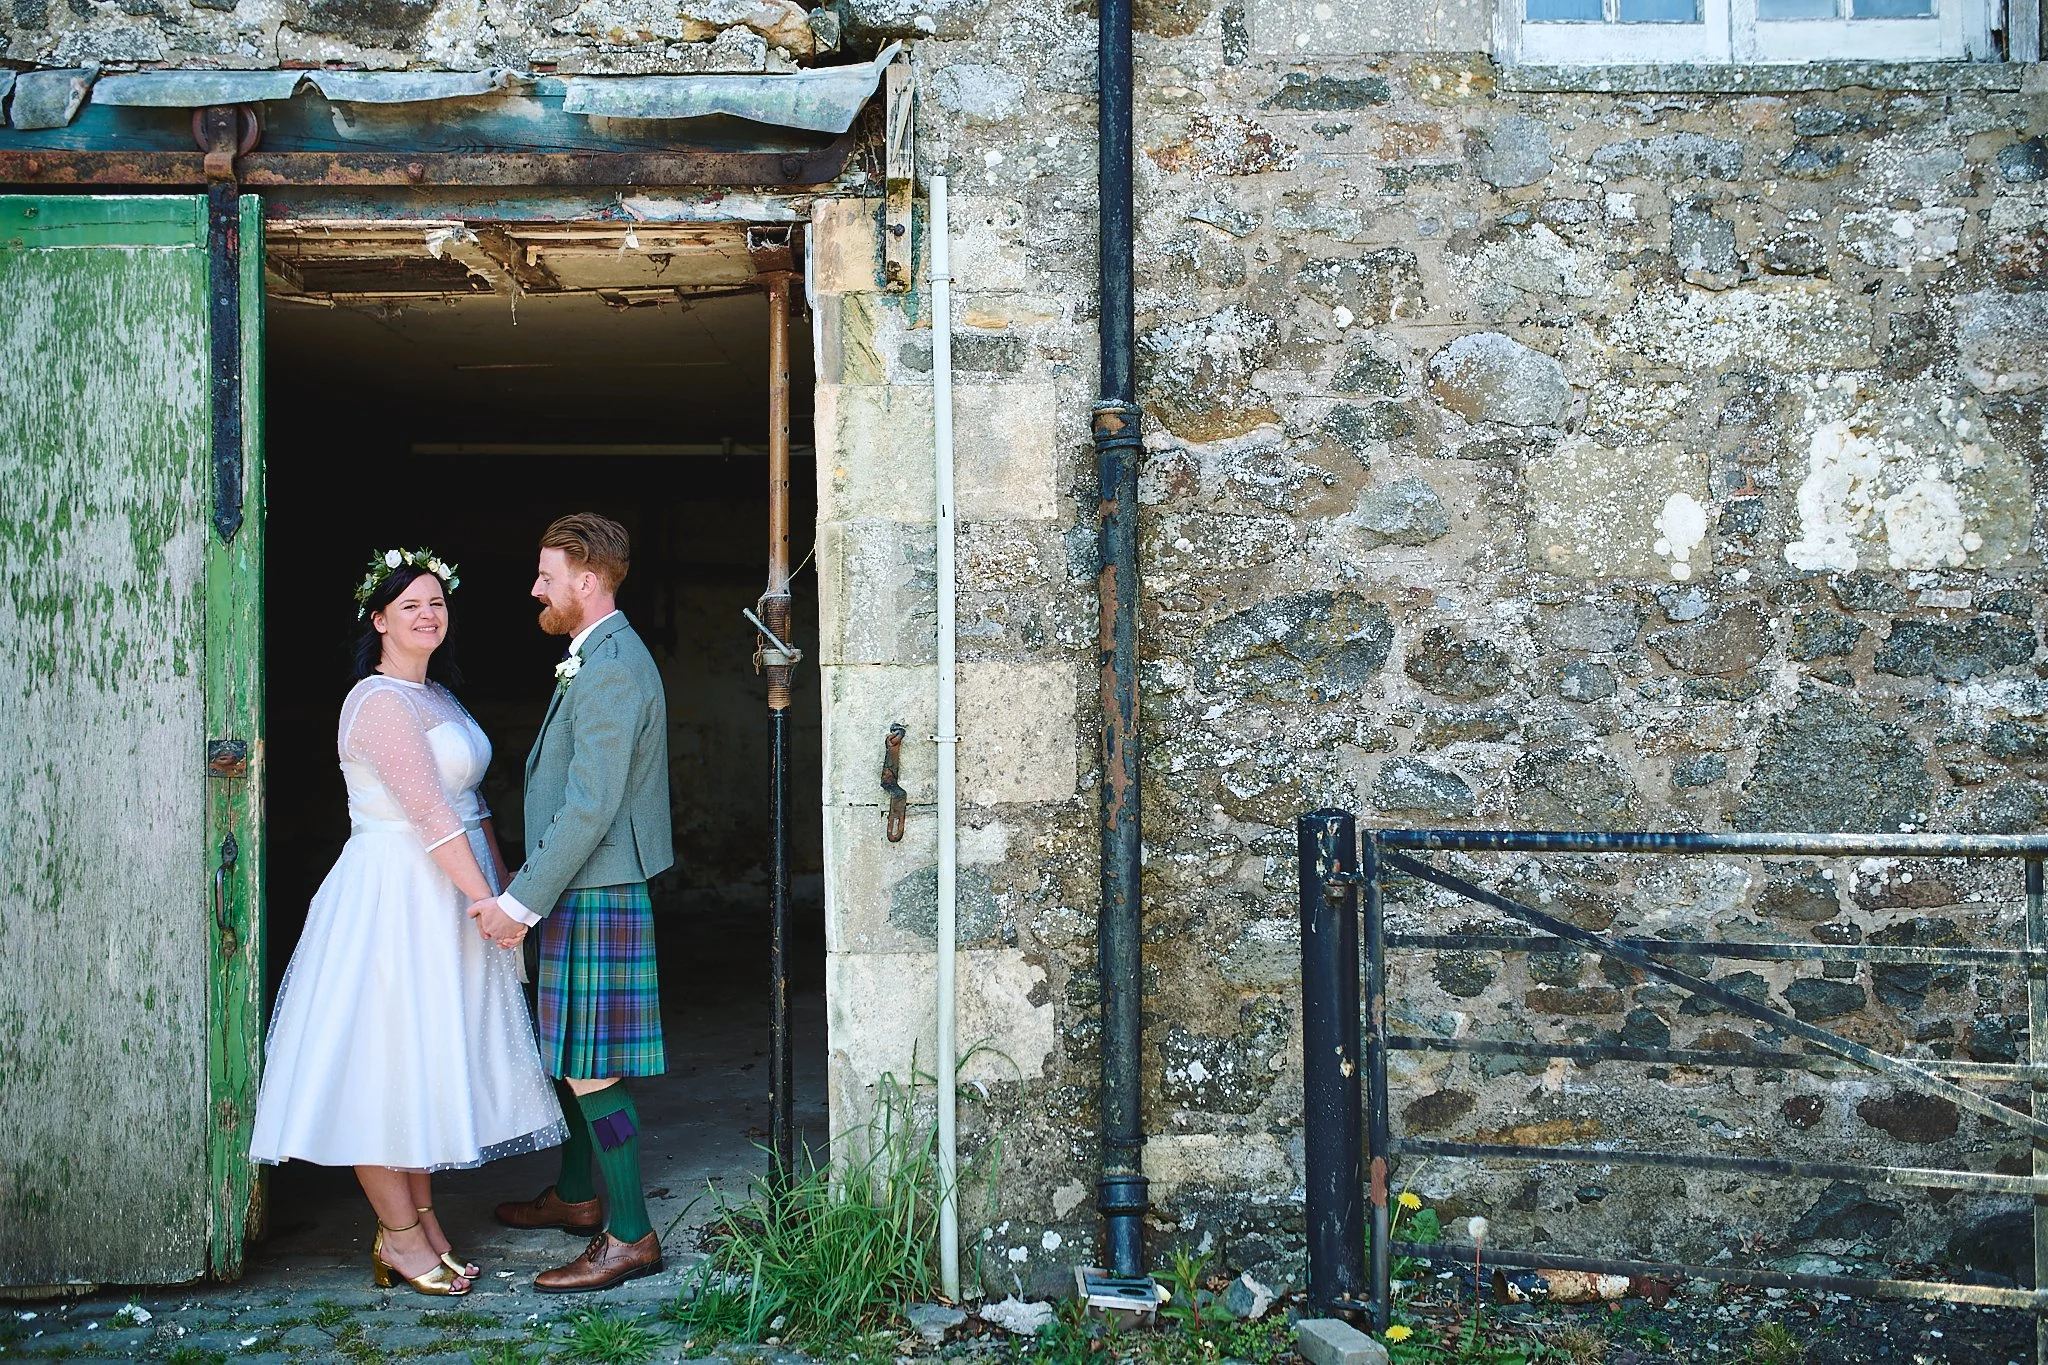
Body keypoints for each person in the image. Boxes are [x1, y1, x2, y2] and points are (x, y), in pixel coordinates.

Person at [249, 549, 566, 1296]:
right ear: (379, 619)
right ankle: (395, 1236)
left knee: (420, 1058)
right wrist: (486, 905)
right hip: (394, 896)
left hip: (449, 891)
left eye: (438, 604)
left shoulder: (441, 699)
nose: (429, 614)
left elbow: (470, 805)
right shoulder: (380, 701)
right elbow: (426, 814)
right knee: (382, 1062)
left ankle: (423, 1222)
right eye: (412, 604)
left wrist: (504, 879)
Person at [470, 513, 675, 1293]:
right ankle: (581, 1195)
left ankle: (629, 1233)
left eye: (546, 576)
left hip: (595, 886)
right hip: (584, 885)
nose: (536, 588)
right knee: (575, 1056)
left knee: (594, 1070)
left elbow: (591, 806)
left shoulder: (613, 665)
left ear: (586, 583)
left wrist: (518, 903)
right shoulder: (596, 655)